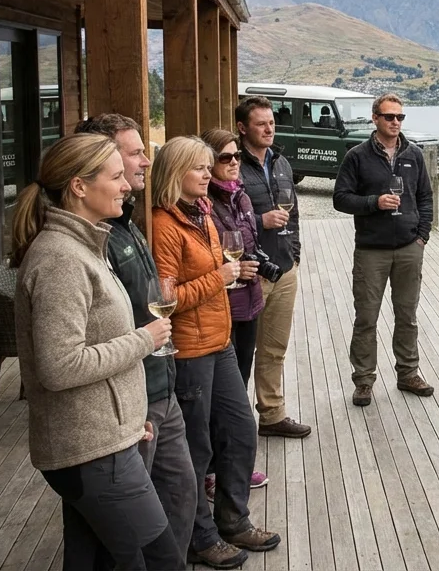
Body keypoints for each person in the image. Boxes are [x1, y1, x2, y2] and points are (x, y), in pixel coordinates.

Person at [12, 133, 184, 570]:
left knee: (96, 562)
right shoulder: (61, 260)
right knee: (160, 558)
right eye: (114, 176)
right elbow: (60, 364)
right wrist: (145, 339)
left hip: (103, 444)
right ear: (79, 187)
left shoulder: (86, 246)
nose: (126, 183)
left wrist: (128, 422)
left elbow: (92, 348)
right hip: (90, 452)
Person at [151, 136, 281, 568]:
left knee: (241, 431)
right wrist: (222, 276)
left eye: (211, 167)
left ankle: (233, 519)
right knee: (196, 447)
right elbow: (165, 297)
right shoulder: (164, 225)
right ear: (175, 173)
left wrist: (229, 272)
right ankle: (199, 536)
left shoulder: (201, 213)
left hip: (219, 340)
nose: (209, 174)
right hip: (189, 349)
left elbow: (211, 274)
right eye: (200, 168)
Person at [74, 113, 199, 557]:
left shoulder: (125, 220)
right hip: (131, 399)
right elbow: (66, 355)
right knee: (126, 530)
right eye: (134, 153)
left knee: (182, 493)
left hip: (160, 383)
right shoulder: (87, 240)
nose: (147, 161)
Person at [333, 93, 435, 405]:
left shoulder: (414, 155)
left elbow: (426, 198)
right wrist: (374, 203)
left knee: (407, 315)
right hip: (371, 250)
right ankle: (364, 380)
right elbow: (340, 198)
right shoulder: (357, 156)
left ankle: (408, 373)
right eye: (389, 117)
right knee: (366, 317)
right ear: (375, 118)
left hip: (408, 248)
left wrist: (422, 236)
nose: (395, 122)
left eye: (400, 117)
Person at [235, 96, 312, 439]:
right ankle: (233, 422)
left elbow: (292, 214)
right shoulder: (232, 163)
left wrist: (293, 253)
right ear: (242, 128)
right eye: (260, 124)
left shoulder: (281, 163)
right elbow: (221, 219)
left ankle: (271, 414)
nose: (269, 129)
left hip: (284, 267)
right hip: (247, 272)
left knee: (274, 348)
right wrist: (259, 220)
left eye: (271, 123)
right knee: (238, 352)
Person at [201, 128, 270, 497]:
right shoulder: (205, 203)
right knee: (219, 397)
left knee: (239, 383)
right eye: (225, 157)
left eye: (236, 157)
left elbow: (249, 243)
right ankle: (213, 472)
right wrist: (233, 271)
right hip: (222, 306)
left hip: (249, 302)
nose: (233, 163)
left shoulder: (239, 196)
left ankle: (232, 468)